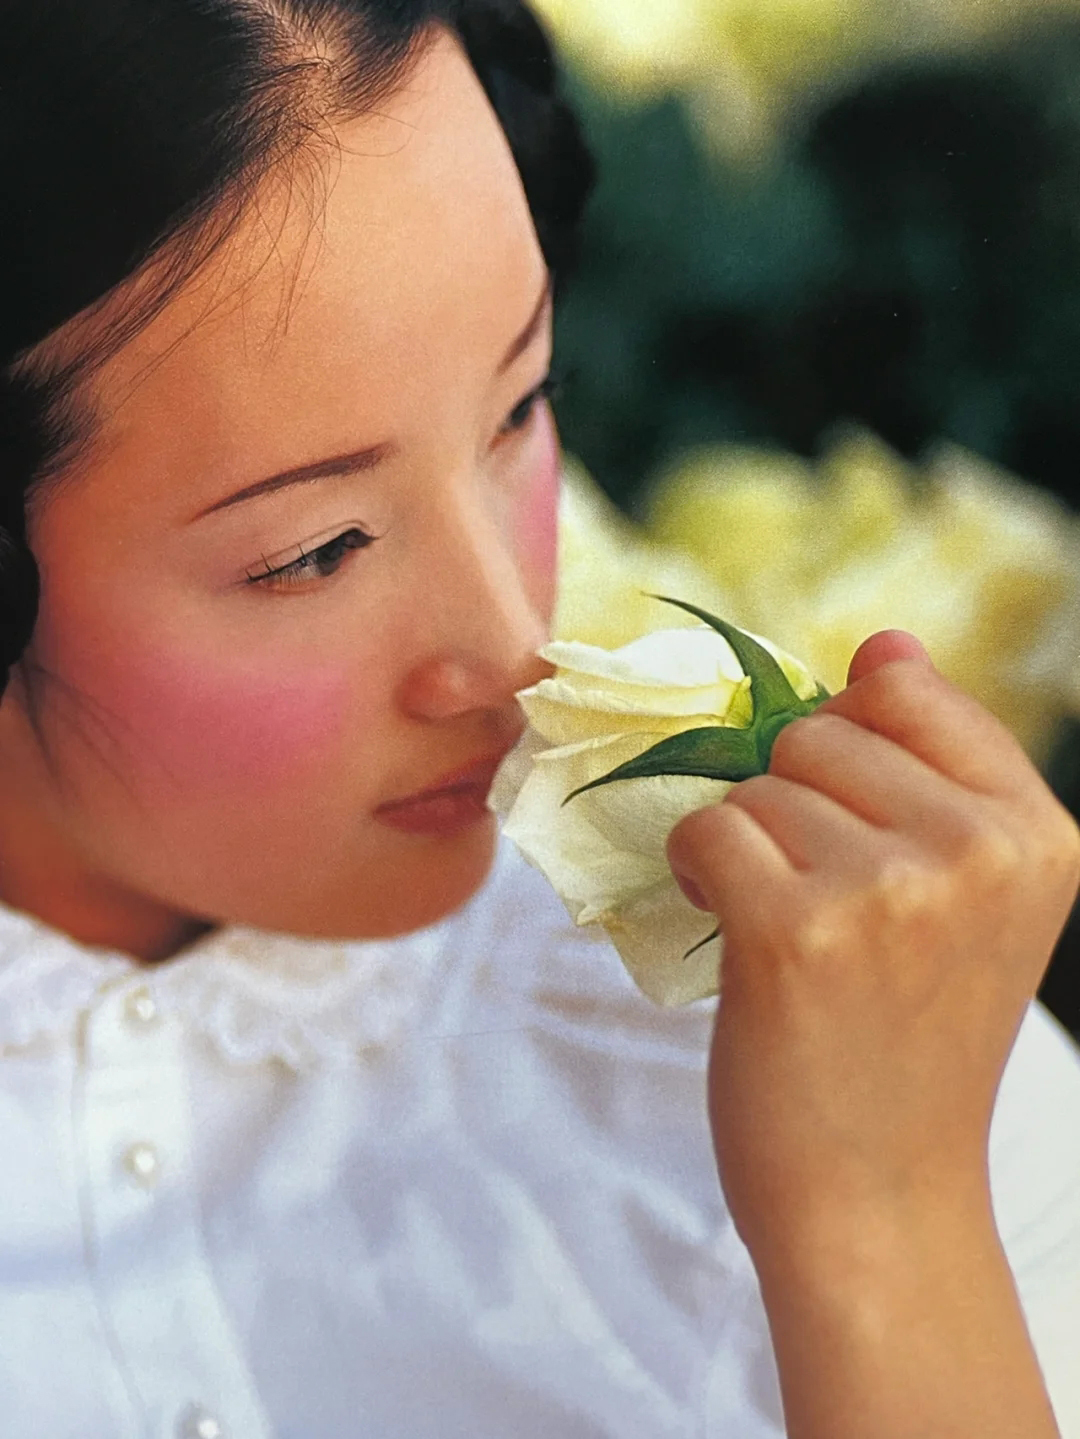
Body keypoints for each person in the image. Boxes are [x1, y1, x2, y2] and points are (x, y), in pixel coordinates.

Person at [0, 3, 1078, 1437]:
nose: (513, 646)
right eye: (317, 550)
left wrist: (887, 1227)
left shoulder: (844, 1037)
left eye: (520, 407)